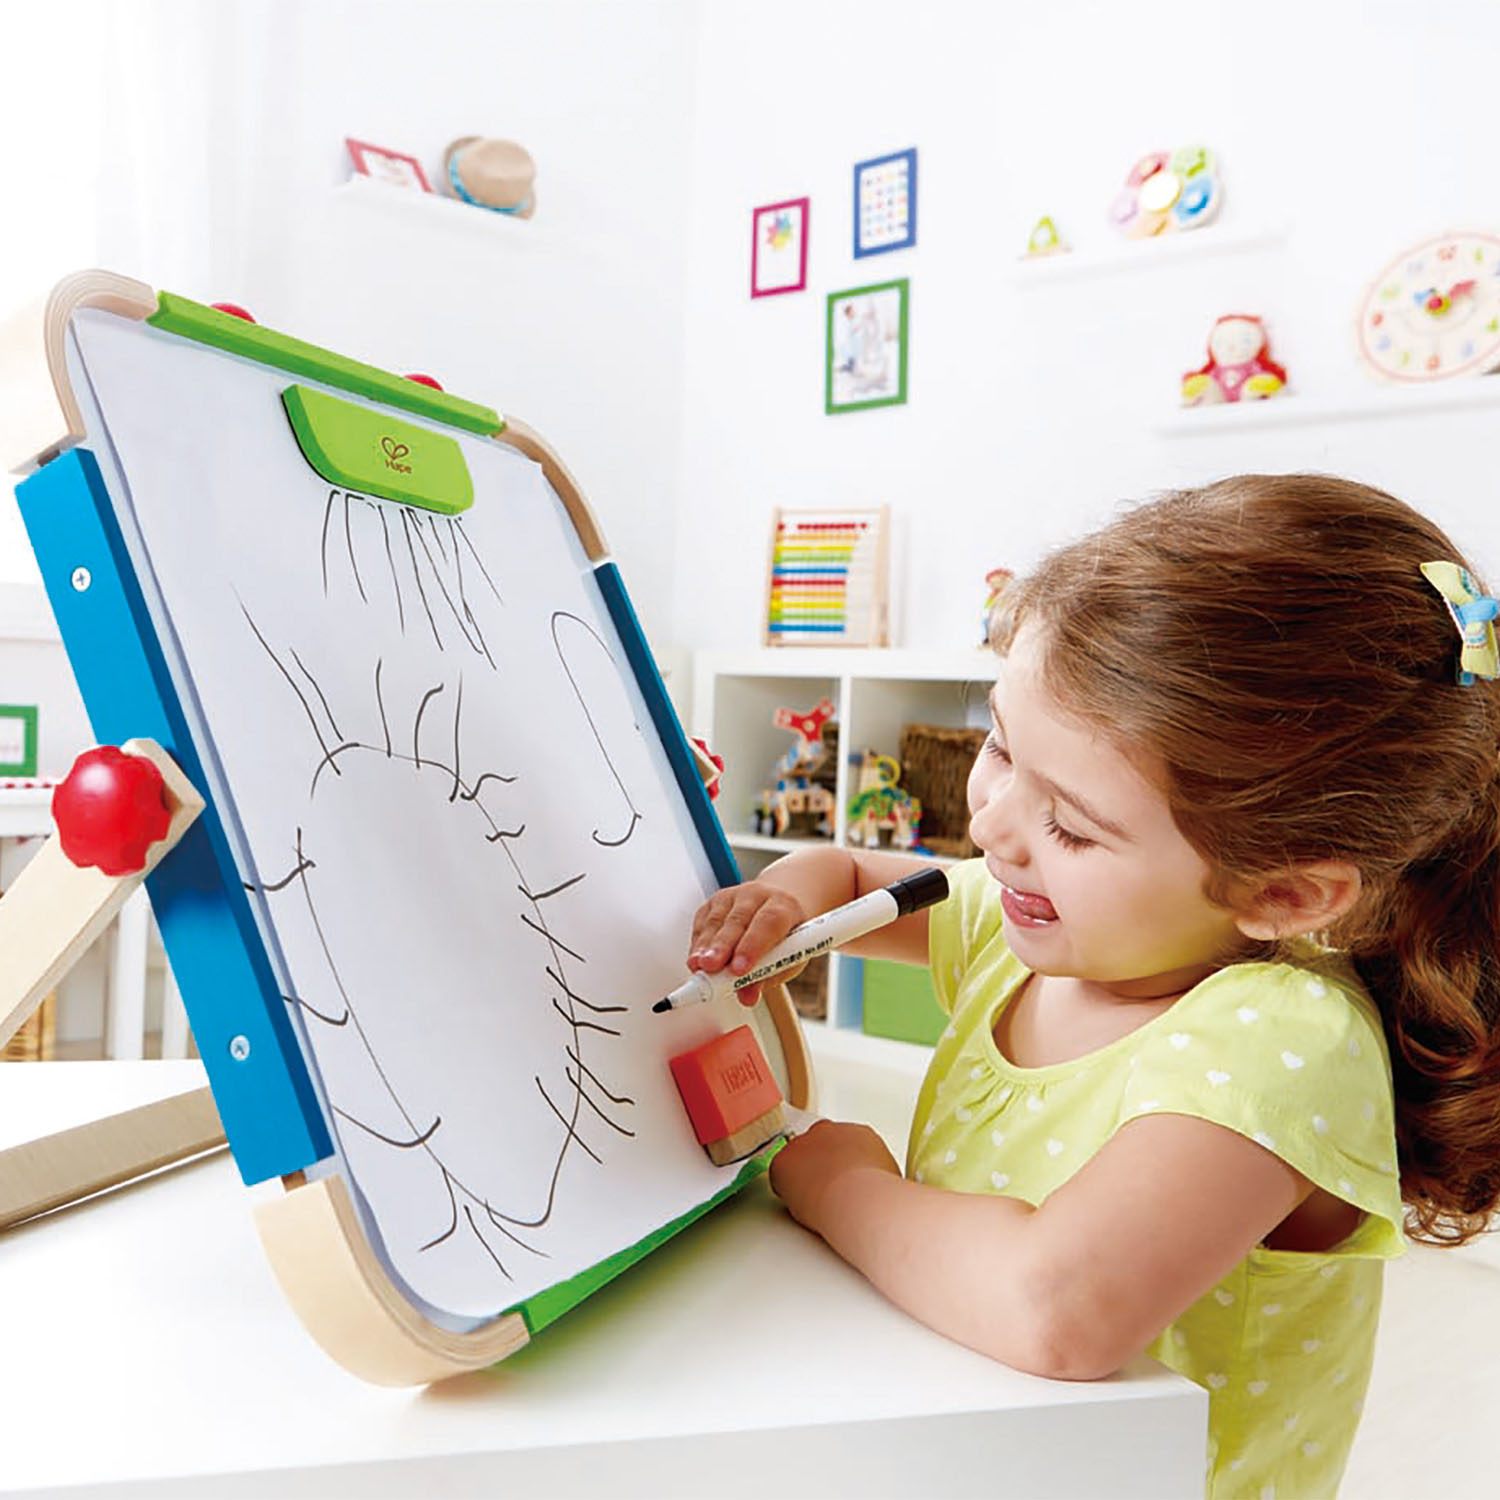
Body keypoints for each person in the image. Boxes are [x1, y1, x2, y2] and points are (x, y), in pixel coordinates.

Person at [685, 474, 1500, 1498]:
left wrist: (839, 1182)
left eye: (1069, 826)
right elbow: (849, 877)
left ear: (1284, 893)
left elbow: (1054, 1312)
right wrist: (782, 899)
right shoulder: (1047, 922)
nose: (990, 826)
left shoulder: (1282, 1042)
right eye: (999, 745)